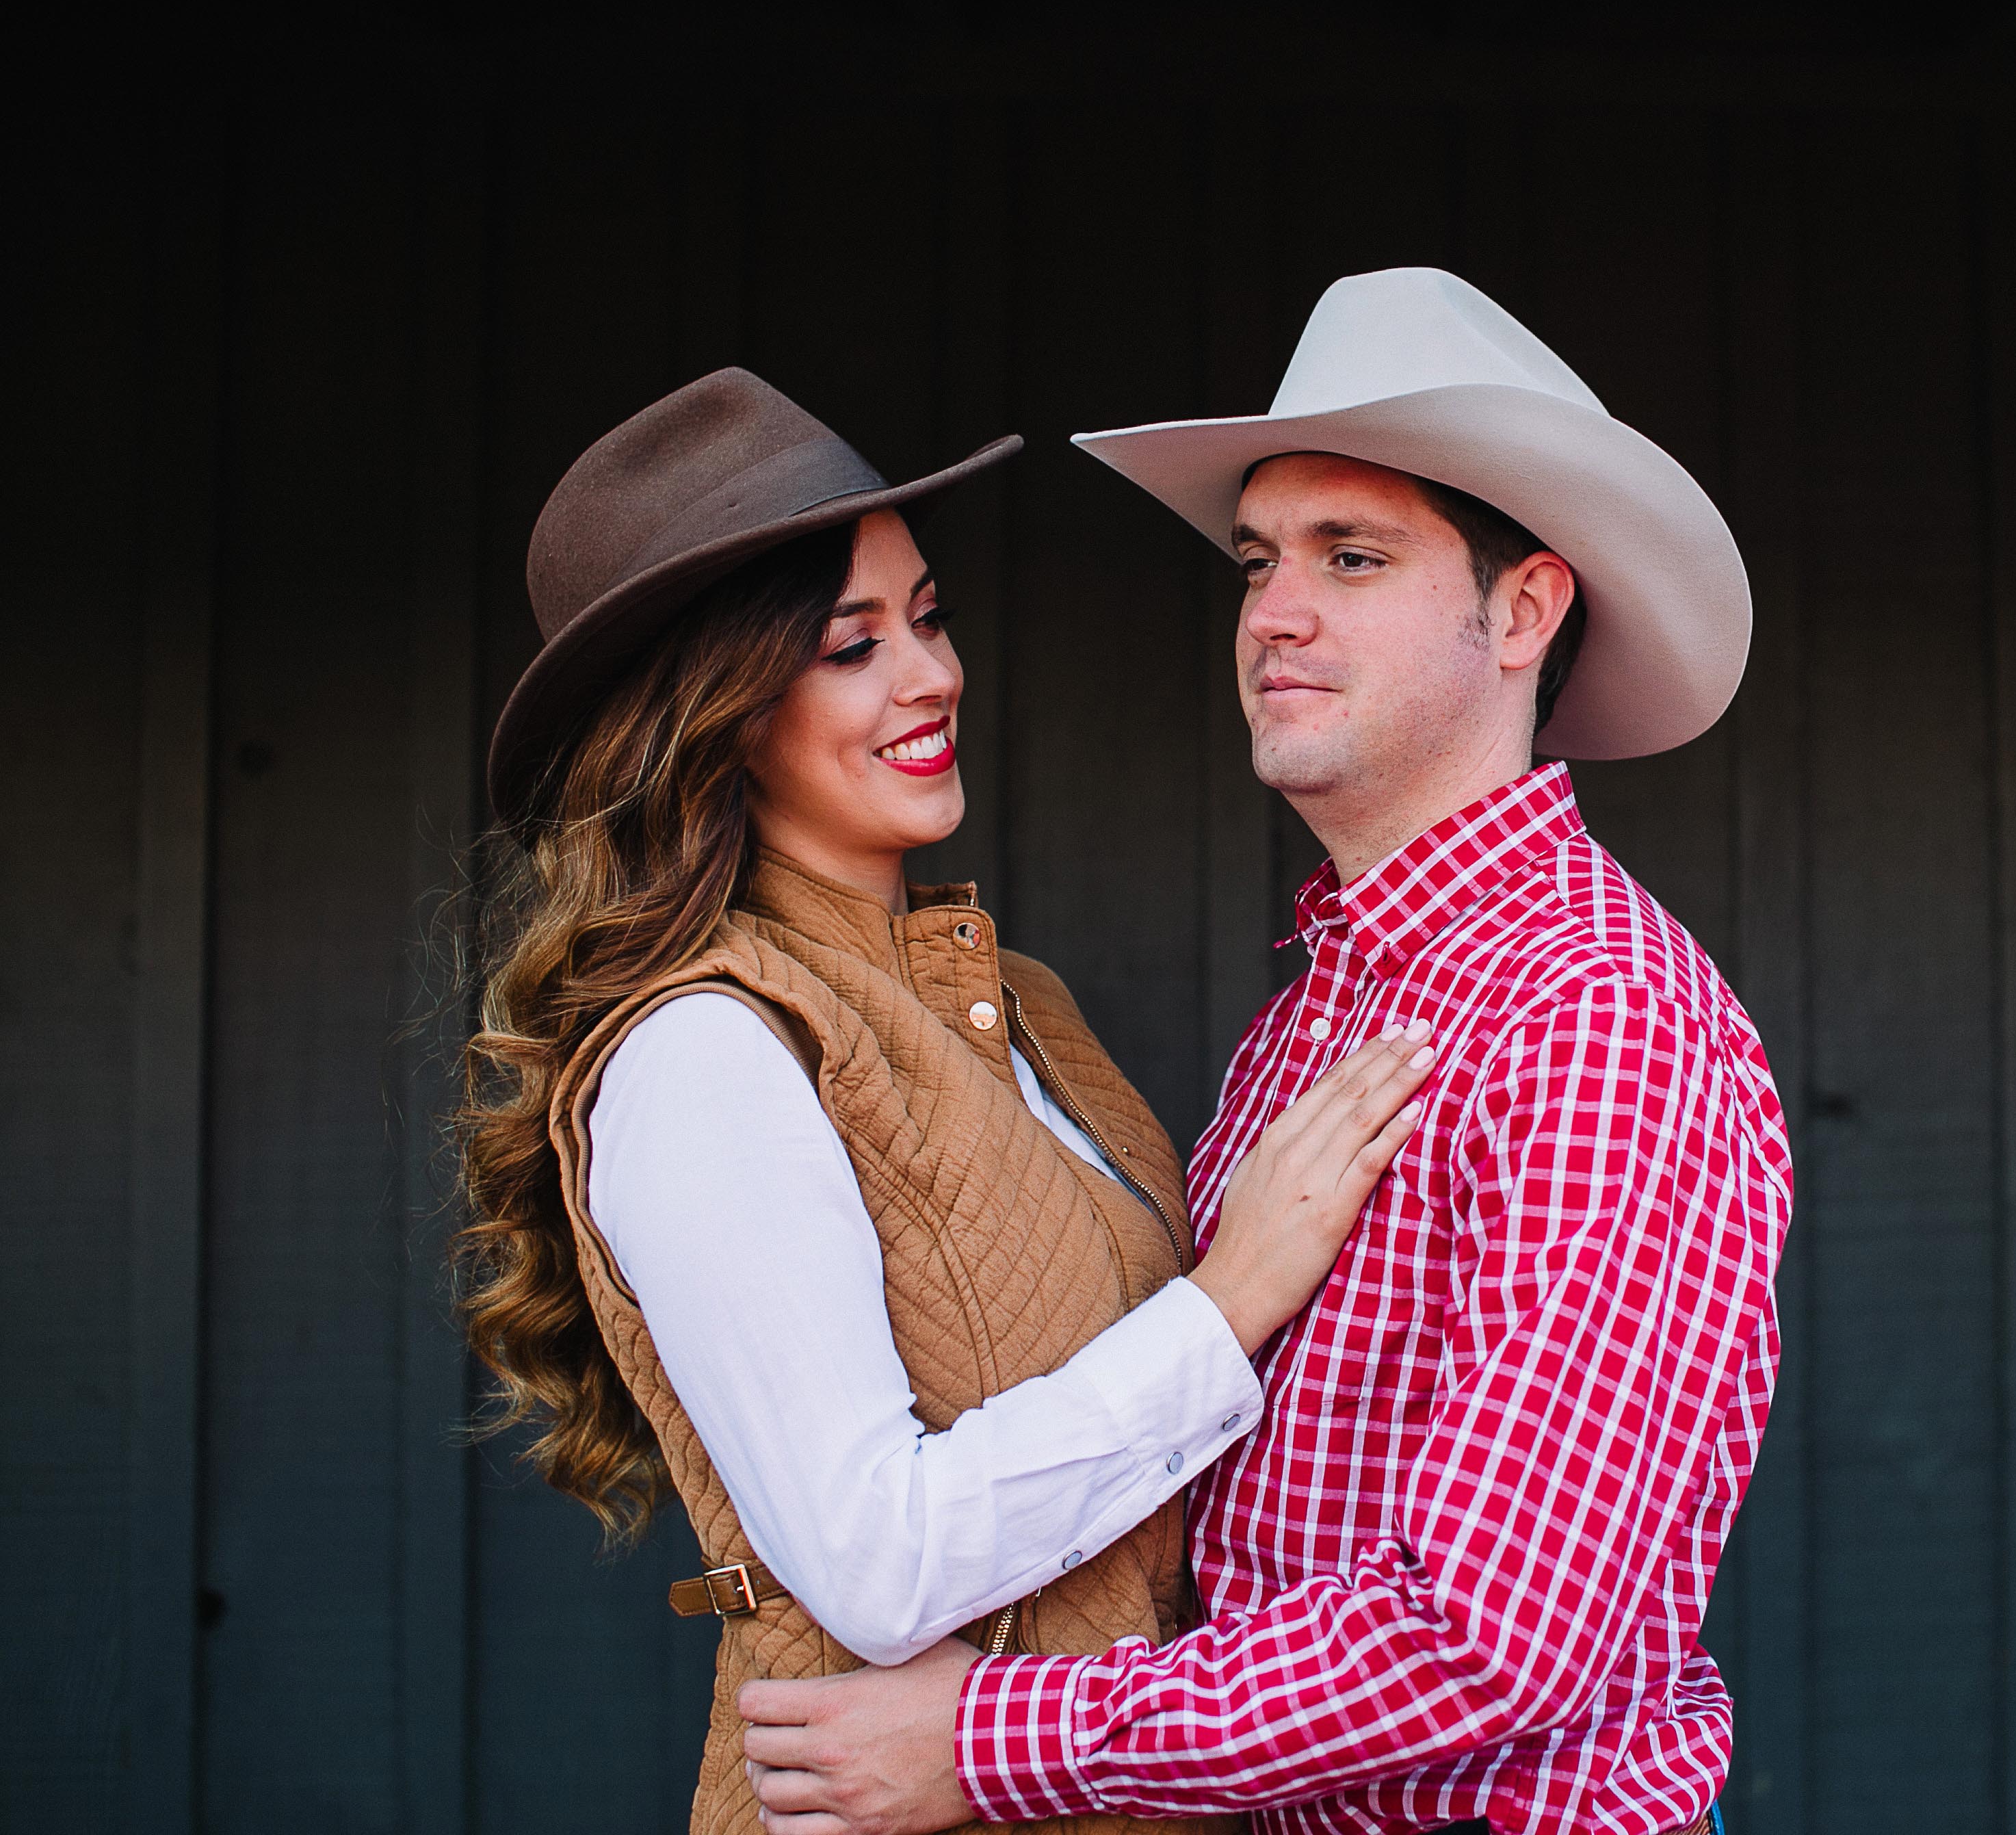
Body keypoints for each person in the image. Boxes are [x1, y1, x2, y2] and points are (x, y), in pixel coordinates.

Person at [739, 268, 1792, 1835]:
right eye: (1258, 561)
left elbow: (1490, 1636)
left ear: (1523, 611)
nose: (1273, 614)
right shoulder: (1326, 1004)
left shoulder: (1597, 1017)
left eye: (1351, 558)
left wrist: (988, 1739)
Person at [453, 368, 1435, 1835]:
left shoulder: (1023, 1007)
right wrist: (1231, 1299)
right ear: (717, 713)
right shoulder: (704, 1050)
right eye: (854, 646)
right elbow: (876, 1561)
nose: (930, 676)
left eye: (929, 617)